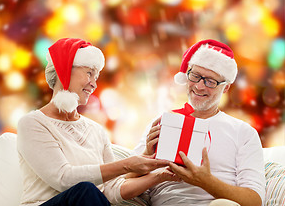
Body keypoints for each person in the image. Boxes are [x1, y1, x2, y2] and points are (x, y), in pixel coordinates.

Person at [17, 38, 179, 206]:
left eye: (96, 76)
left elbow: (111, 191)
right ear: (64, 70)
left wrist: (161, 176)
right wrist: (127, 165)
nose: (94, 84)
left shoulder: (96, 130)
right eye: (89, 73)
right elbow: (63, 179)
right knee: (86, 191)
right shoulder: (32, 123)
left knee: (90, 193)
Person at [133, 39, 266, 206]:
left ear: (225, 87)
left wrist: (205, 181)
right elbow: (123, 181)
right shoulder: (162, 123)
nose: (199, 86)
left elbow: (255, 201)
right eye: (195, 76)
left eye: (210, 81)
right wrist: (146, 153)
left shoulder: (243, 132)